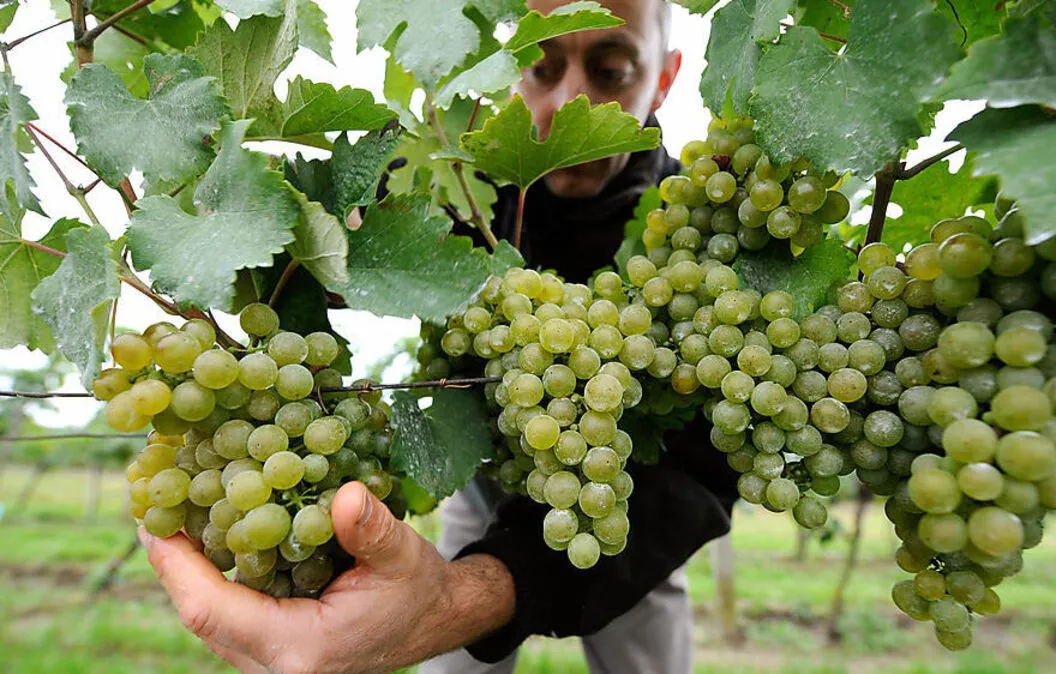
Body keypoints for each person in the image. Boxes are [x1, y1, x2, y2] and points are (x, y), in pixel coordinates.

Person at [140, 2, 738, 673]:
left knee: (643, 632)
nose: (567, 100)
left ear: (664, 79)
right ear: (502, 70)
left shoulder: (696, 233)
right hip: (482, 480)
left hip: (630, 513)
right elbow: (344, 230)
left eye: (612, 71)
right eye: (539, 67)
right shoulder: (449, 183)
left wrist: (460, 600)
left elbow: (704, 468)